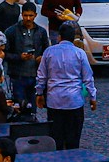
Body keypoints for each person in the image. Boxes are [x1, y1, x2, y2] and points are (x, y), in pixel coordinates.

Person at [35, 21, 96, 151]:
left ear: (59, 37)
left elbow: (41, 76)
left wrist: (39, 93)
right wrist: (92, 97)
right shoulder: (79, 53)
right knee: (73, 137)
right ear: (73, 38)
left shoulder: (49, 52)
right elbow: (88, 78)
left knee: (56, 136)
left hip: (54, 101)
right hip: (74, 102)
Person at [2, 3, 49, 111]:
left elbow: (47, 51)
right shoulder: (11, 32)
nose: (28, 18)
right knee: (19, 106)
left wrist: (41, 58)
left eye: (31, 16)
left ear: (35, 15)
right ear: (21, 15)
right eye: (25, 15)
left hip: (35, 75)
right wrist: (19, 57)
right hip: (18, 75)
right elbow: (5, 54)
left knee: (32, 107)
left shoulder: (41, 32)